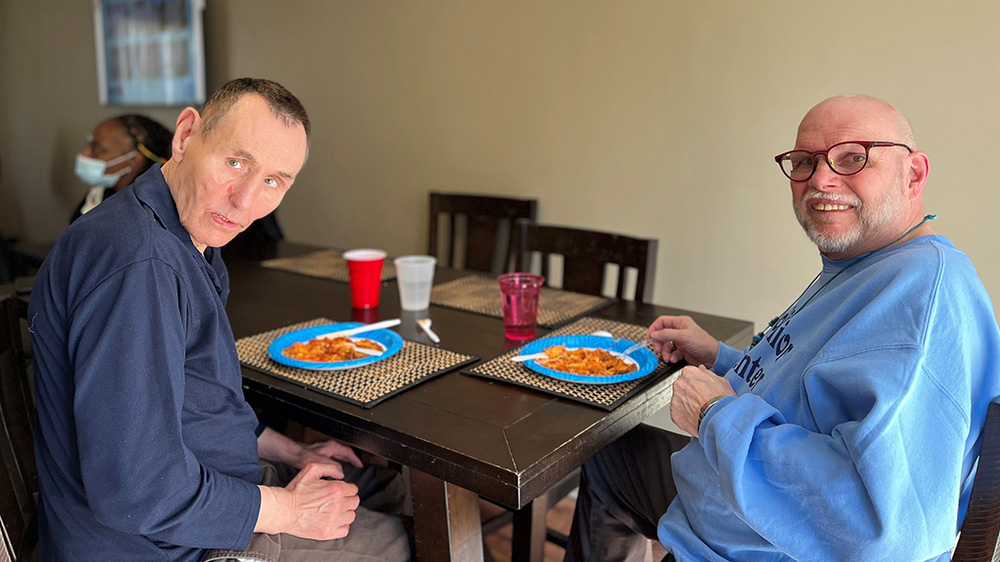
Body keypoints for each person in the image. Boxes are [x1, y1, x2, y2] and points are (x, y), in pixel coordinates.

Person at [564, 95, 1000, 561]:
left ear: (913, 174)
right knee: (610, 455)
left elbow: (882, 532)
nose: (821, 180)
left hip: (745, 547)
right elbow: (809, 393)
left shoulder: (922, 292)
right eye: (804, 163)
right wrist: (720, 358)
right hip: (724, 500)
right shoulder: (865, 265)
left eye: (853, 158)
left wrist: (715, 412)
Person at [29, 78, 410, 561]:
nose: (245, 202)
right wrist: (290, 511)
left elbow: (198, 402)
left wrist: (288, 451)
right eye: (236, 163)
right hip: (159, 543)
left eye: (273, 181)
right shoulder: (139, 263)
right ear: (186, 135)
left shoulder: (179, 231)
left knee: (385, 488)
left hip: (207, 488)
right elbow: (137, 491)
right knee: (396, 541)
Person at [71, 114, 173, 222]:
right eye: (90, 144)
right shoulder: (101, 192)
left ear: (133, 160)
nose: (84, 153)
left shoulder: (147, 212)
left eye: (98, 148)